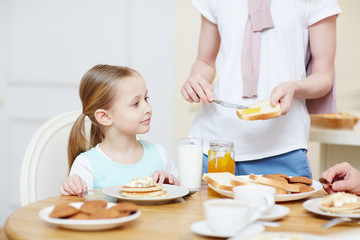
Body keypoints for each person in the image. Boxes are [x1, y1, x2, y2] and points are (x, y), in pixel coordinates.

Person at [181, 0, 341, 178]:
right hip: (214, 147)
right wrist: (196, 81)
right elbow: (205, 61)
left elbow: (324, 76)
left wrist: (295, 86)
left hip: (283, 149)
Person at [60, 64, 179, 196]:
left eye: (146, 98)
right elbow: (77, 209)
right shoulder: (86, 166)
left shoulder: (160, 155)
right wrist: (71, 189)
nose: (148, 109)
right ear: (105, 116)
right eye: (135, 103)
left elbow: (181, 203)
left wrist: (171, 185)